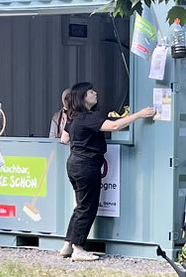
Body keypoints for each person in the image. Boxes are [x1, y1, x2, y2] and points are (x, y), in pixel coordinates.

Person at [57, 82, 154, 260]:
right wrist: (139, 114)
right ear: (83, 97)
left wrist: (81, 141)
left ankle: (67, 245)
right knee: (87, 207)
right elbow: (114, 126)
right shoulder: (87, 117)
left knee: (81, 206)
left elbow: (64, 139)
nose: (95, 93)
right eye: (91, 91)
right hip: (87, 165)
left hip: (74, 163)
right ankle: (78, 249)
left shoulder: (74, 117)